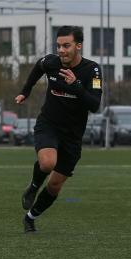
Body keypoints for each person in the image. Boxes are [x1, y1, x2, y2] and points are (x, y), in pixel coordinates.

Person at [15, 25, 102, 233]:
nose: (61, 50)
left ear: (78, 46)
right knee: (48, 163)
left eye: (66, 46)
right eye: (58, 46)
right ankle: (33, 187)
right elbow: (38, 67)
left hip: (73, 136)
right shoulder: (51, 62)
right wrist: (25, 91)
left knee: (54, 186)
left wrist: (76, 85)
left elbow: (95, 105)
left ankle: (30, 217)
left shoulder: (93, 70)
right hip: (49, 125)